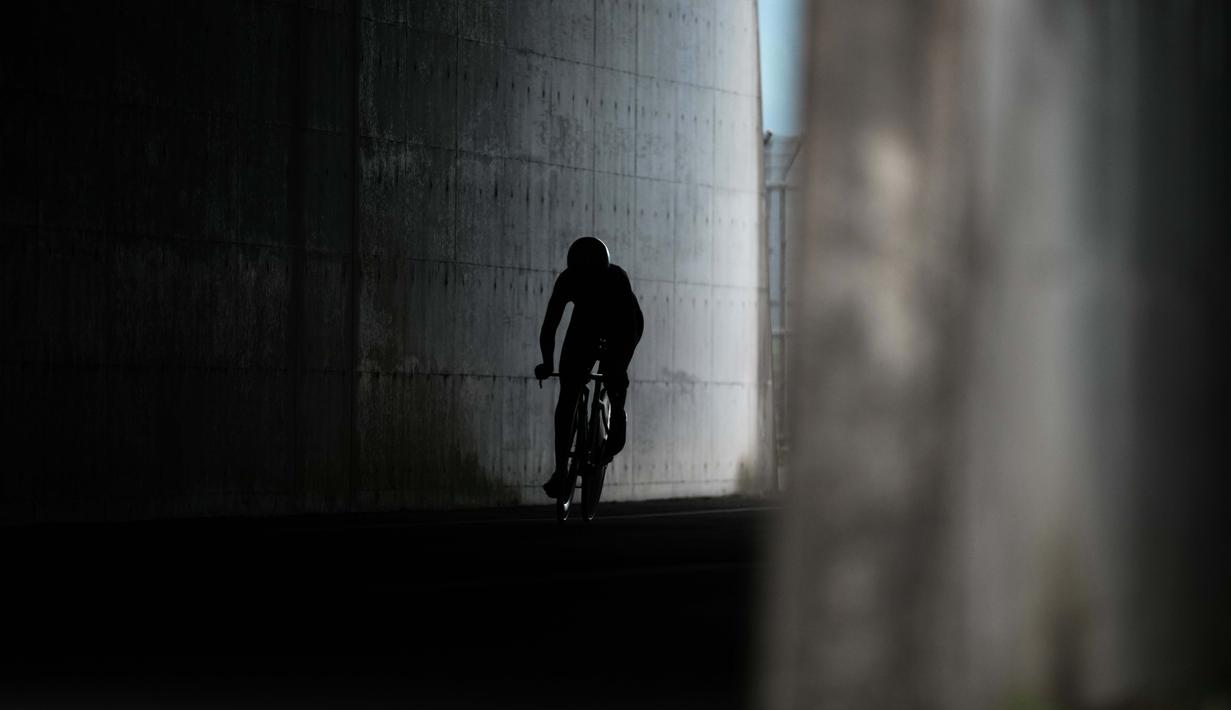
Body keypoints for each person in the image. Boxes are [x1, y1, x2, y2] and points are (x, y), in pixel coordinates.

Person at [534, 236, 644, 498]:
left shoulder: (617, 279)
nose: (588, 283)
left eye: (593, 278)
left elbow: (628, 332)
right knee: (567, 395)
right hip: (584, 327)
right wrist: (548, 362)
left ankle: (616, 421)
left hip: (621, 326)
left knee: (614, 376)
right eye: (583, 279)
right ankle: (562, 471)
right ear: (574, 272)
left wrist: (616, 369)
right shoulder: (567, 280)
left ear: (603, 271)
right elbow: (550, 325)